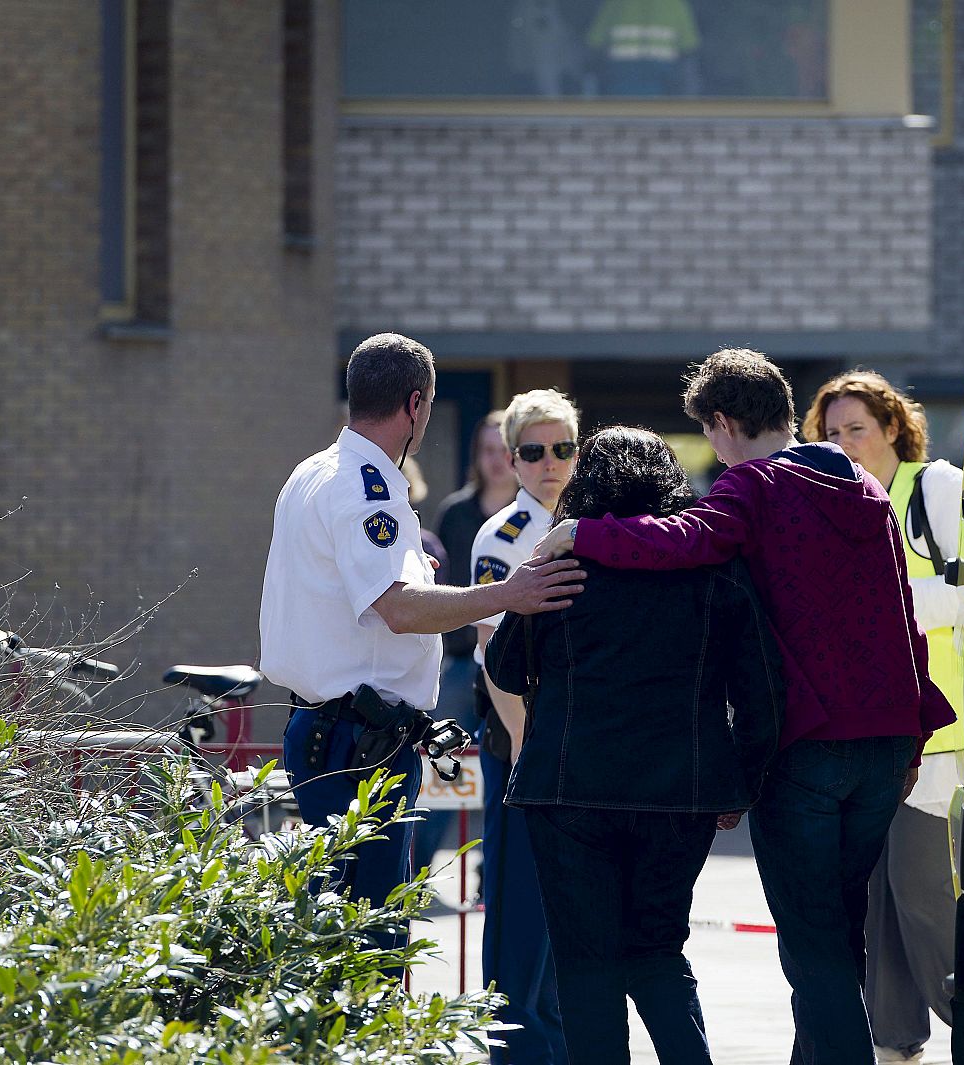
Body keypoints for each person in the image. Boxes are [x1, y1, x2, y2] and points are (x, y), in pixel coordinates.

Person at [537, 348, 955, 1065]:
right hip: (887, 743)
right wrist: (912, 740)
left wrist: (582, 531)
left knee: (814, 943)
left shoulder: (752, 486)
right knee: (839, 929)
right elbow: (904, 616)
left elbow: (681, 539)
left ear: (724, 423)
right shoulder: (860, 480)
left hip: (808, 746)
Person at [257, 333, 584, 966]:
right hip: (359, 743)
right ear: (416, 404)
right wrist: (508, 594)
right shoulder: (367, 486)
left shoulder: (316, 470)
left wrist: (428, 580)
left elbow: (366, 595)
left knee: (337, 934)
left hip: (332, 728)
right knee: (369, 942)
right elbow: (399, 608)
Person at [485, 426, 784, 1065]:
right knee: (657, 953)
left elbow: (507, 669)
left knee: (586, 965)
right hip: (681, 792)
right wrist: (743, 784)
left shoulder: (559, 561)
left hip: (568, 792)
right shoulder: (714, 567)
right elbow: (761, 693)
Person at [804, 370, 964, 1064]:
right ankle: (896, 1044)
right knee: (879, 905)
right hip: (868, 738)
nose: (843, 444)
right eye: (831, 433)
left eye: (856, 430)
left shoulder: (935, 488)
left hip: (939, 738)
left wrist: (875, 606)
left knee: (922, 894)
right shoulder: (833, 506)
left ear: (893, 428)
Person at [468, 388, 581, 1065]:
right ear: (511, 459)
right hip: (524, 752)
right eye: (533, 452)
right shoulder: (504, 537)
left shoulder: (593, 523)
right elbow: (495, 664)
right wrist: (526, 757)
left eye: (562, 449)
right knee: (519, 925)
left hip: (577, 755)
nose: (549, 463)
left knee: (568, 927)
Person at [434, 412, 520, 734]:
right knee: (445, 767)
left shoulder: (539, 516)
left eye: (504, 450)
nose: (496, 460)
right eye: (487, 450)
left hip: (517, 664)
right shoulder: (454, 513)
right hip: (459, 662)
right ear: (476, 455)